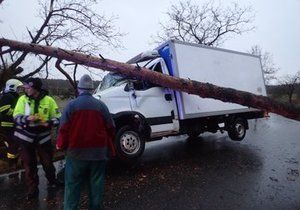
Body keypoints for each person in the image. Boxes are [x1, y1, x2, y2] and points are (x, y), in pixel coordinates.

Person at [56, 74, 115, 210]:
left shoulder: (71, 106)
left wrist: (62, 145)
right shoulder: (101, 106)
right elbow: (111, 128)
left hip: (76, 154)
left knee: (72, 185)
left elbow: (63, 129)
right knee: (96, 185)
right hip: (98, 155)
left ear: (79, 89)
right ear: (92, 90)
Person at [13, 77, 61, 200]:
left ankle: (52, 180)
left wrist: (48, 123)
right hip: (25, 137)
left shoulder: (49, 100)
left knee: (48, 163)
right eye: (26, 88)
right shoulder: (22, 100)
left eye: (28, 88)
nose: (26, 90)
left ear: (35, 89)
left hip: (43, 138)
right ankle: (33, 189)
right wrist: (27, 119)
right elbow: (16, 117)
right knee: (29, 164)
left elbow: (58, 118)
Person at [0, 79, 23, 168]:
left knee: (14, 144)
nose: (19, 90)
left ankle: (14, 163)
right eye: (18, 88)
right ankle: (12, 164)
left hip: (11, 125)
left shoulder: (11, 96)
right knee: (12, 145)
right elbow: (3, 109)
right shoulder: (8, 96)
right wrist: (17, 113)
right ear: (12, 87)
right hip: (7, 125)